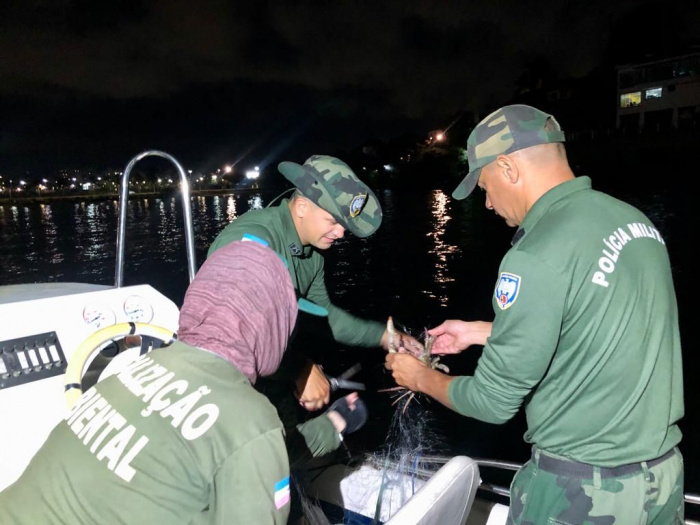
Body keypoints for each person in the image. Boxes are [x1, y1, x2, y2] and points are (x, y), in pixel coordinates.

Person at [385, 104, 685, 523]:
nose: (488, 204)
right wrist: (481, 332)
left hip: (583, 492)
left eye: (485, 187)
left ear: (508, 167)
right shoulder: (635, 223)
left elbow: (491, 402)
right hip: (662, 478)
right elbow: (598, 325)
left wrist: (419, 377)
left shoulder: (536, 253)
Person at [0, 241, 366, 524]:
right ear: (270, 325)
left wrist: (330, 426)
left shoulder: (136, 369)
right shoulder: (250, 421)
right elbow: (244, 449)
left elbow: (211, 458)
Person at [208, 155, 421, 417]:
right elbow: (233, 331)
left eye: (344, 224)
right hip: (221, 390)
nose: (341, 233)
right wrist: (300, 369)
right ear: (301, 207)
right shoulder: (254, 241)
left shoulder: (312, 254)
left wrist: (386, 337)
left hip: (268, 379)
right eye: (332, 221)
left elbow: (323, 315)